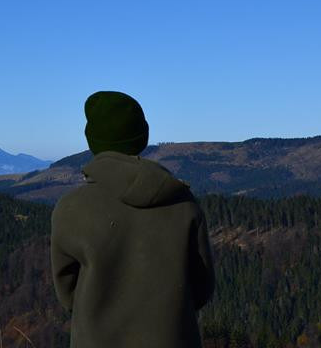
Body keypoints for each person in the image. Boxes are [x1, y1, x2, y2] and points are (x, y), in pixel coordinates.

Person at [50, 90, 216, 347]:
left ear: (92, 141)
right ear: (142, 136)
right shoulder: (183, 202)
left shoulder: (70, 208)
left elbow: (66, 291)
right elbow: (202, 287)